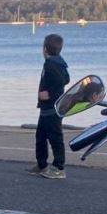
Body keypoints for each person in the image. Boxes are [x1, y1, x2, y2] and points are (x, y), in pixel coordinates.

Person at [34, 32, 69, 178]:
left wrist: (49, 93)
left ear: (45, 49)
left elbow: (62, 80)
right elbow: (66, 78)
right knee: (40, 136)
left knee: (55, 137)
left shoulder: (51, 64)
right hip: (46, 108)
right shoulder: (58, 62)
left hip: (52, 107)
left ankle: (58, 167)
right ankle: (42, 164)